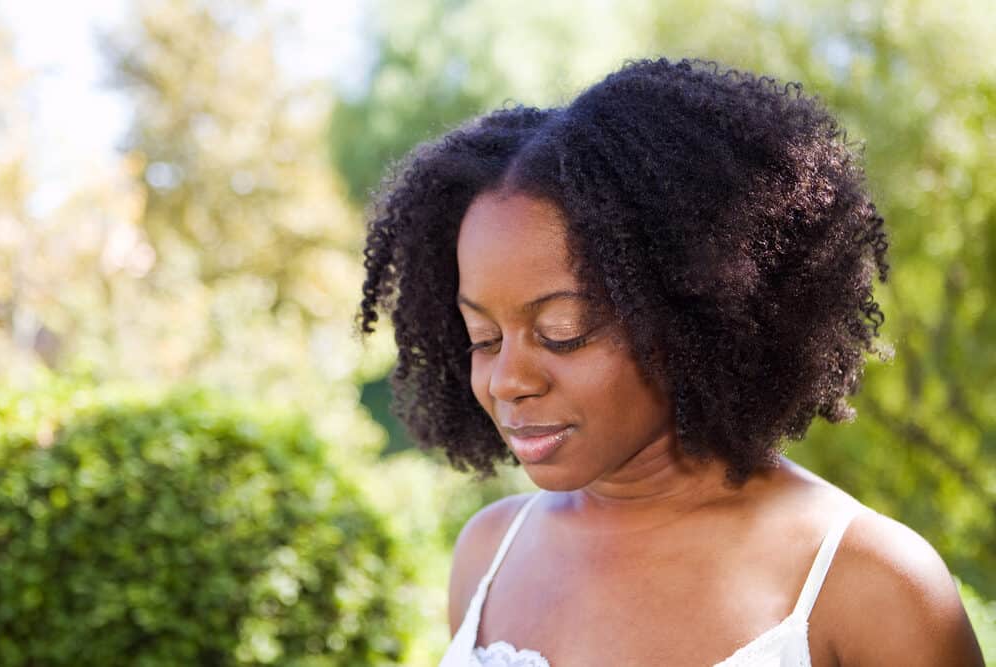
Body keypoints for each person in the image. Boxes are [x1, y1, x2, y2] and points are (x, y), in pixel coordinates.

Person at [359, 58, 985, 666]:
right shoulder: (490, 553)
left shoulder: (868, 582)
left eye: (562, 332)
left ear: (691, 313)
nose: (508, 380)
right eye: (483, 338)